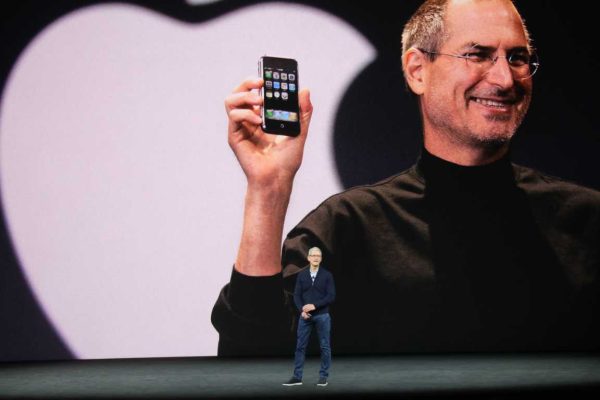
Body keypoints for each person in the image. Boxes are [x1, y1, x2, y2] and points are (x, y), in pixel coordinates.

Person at [212, 0, 600, 357]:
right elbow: (251, 359)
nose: (504, 78)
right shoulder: (348, 228)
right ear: (417, 70)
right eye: (478, 55)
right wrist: (268, 188)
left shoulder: (587, 220)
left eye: (517, 58)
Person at [282, 247, 335, 387]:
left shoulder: (327, 275)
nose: (316, 257)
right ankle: (297, 377)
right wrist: (302, 311)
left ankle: (323, 377)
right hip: (305, 317)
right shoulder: (302, 275)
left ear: (321, 258)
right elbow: (297, 295)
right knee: (300, 347)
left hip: (322, 316)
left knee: (325, 347)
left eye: (318, 255)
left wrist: (314, 306)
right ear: (309, 258)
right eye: (313, 255)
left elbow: (331, 296)